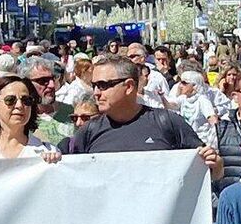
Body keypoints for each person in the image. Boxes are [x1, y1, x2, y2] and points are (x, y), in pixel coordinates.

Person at [64, 55, 225, 180]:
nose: (97, 93)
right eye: (94, 86)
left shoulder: (167, 123)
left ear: (128, 86)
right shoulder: (89, 131)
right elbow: (69, 177)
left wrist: (215, 165)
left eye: (104, 85)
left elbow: (210, 172)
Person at [22, 56, 78, 145]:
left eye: (53, 79)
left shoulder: (72, 111)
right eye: (43, 81)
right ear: (26, 84)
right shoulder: (22, 119)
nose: (52, 85)